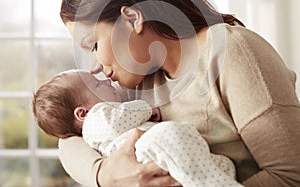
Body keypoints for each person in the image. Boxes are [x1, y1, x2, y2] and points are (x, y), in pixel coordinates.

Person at [58, 0, 300, 187]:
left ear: (132, 19)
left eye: (94, 45)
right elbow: (69, 139)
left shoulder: (231, 52)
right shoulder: (138, 82)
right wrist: (103, 175)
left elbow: (291, 176)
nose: (94, 65)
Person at [32, 69, 241, 187]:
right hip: (143, 152)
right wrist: (146, 109)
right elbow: (115, 122)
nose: (104, 80)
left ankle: (215, 174)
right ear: (82, 113)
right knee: (168, 134)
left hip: (152, 159)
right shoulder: (97, 119)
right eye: (96, 84)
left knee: (187, 147)